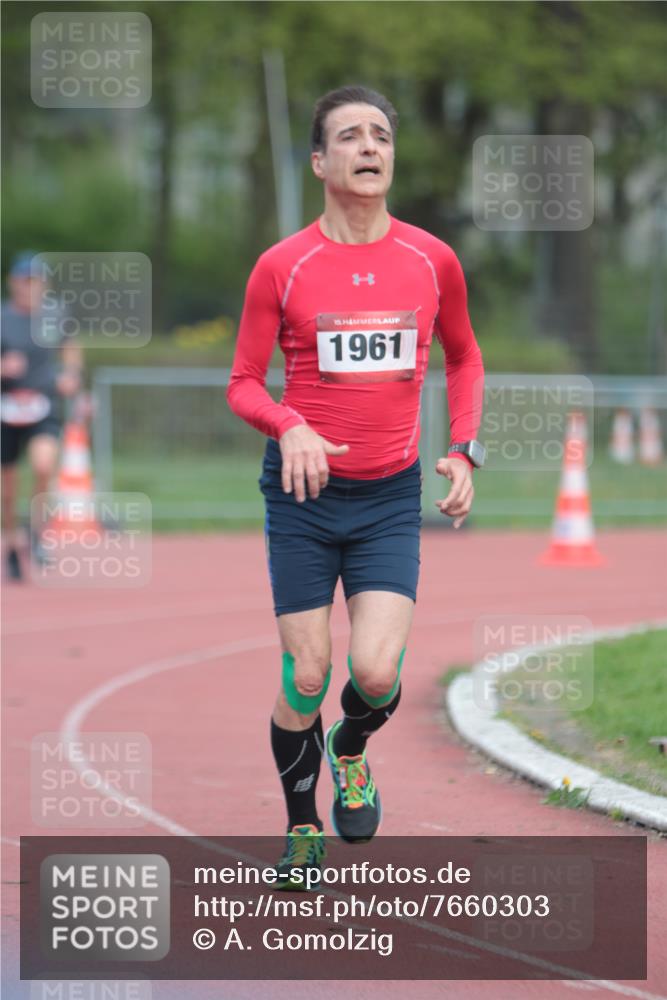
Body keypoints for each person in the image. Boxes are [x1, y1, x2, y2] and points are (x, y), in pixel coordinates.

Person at [227, 86, 485, 887]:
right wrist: (288, 424)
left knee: (371, 675)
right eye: (349, 136)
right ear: (320, 161)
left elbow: (464, 358)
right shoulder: (282, 265)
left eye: (379, 134)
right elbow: (241, 382)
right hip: (301, 500)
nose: (368, 146)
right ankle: (302, 826)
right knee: (305, 676)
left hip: (385, 498)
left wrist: (463, 449)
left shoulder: (430, 259)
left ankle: (350, 748)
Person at [1, 252, 82, 580]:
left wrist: (71, 375)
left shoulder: (55, 315)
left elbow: (71, 347)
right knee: (7, 489)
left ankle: (37, 532)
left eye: (37, 281)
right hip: (5, 409)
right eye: (25, 281)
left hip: (42, 406)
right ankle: (10, 544)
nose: (31, 288)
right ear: (13, 282)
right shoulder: (3, 317)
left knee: (44, 465)